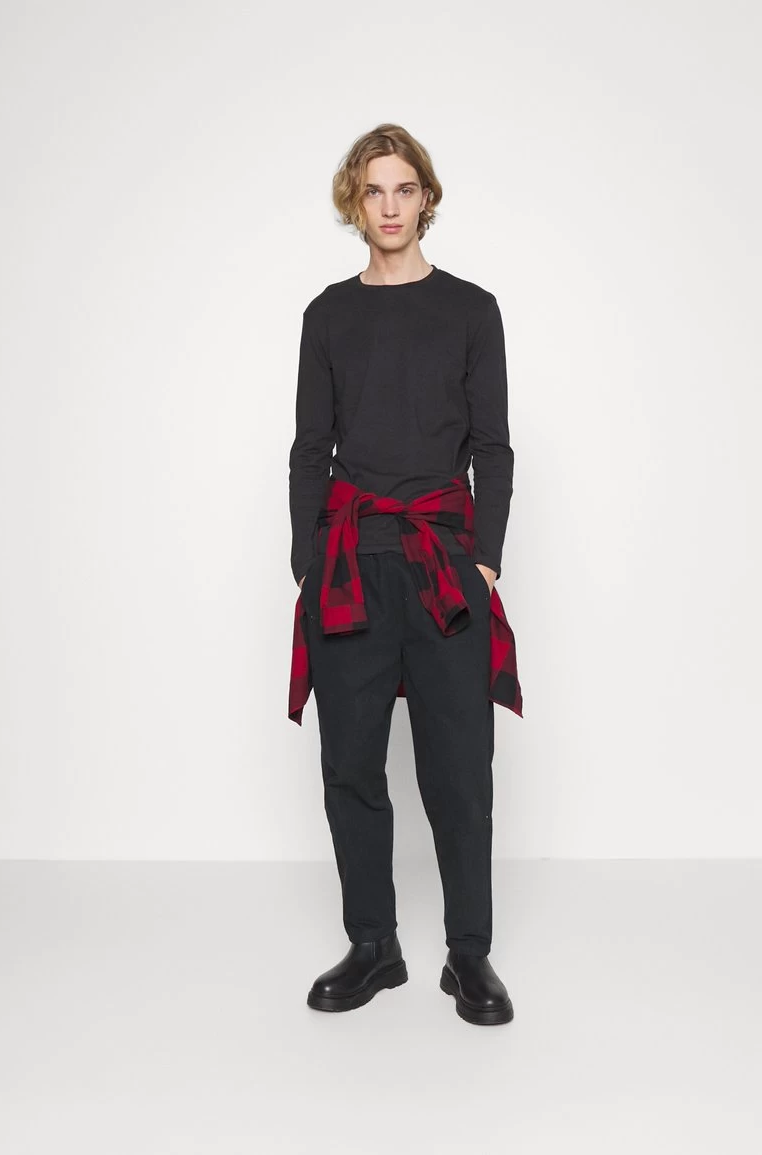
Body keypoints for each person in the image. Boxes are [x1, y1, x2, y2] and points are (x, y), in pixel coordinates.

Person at [288, 123, 522, 1026]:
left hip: (443, 565)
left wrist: (485, 560)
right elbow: (310, 449)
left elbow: (492, 447)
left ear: (427, 197)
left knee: (460, 769)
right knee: (350, 763)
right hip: (350, 562)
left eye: (405, 188)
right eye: (374, 190)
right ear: (356, 202)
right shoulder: (327, 316)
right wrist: (309, 561)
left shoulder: (472, 310)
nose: (390, 206)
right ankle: (373, 944)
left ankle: (469, 953)